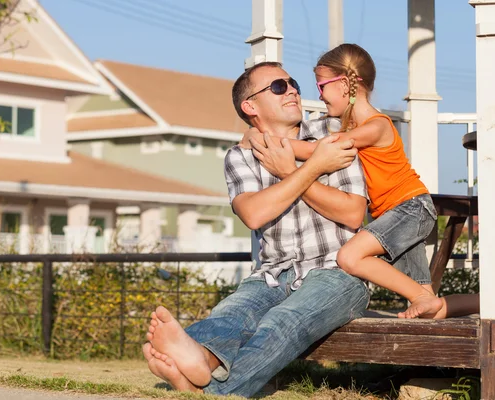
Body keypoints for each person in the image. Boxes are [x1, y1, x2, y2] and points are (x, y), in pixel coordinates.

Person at [142, 61, 370, 397]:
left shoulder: (332, 134)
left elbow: (352, 213)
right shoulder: (240, 156)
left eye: (292, 83)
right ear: (251, 106)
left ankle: (212, 390)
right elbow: (254, 213)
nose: (292, 89)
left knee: (282, 321)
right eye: (278, 87)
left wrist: (288, 170)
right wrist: (311, 169)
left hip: (338, 272)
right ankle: (199, 359)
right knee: (234, 311)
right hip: (273, 273)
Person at [241, 44, 442, 319]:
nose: (319, 95)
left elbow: (317, 151)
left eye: (321, 86)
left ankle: (420, 297)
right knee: (431, 307)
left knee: (349, 257)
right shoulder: (354, 129)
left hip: (410, 208)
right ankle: (486, 302)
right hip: (394, 213)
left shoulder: (376, 125)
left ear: (346, 85)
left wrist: (264, 140)